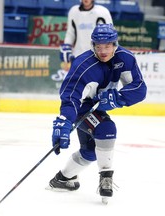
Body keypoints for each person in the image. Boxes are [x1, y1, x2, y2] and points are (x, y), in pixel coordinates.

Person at [49, 24, 147, 203]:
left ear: (115, 44)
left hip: (98, 107)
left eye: (107, 46)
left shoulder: (125, 58)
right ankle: (106, 178)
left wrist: (119, 98)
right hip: (83, 108)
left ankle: (63, 178)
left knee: (90, 152)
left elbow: (139, 88)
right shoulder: (82, 65)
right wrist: (65, 121)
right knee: (106, 129)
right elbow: (71, 98)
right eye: (98, 46)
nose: (103, 51)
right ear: (93, 45)